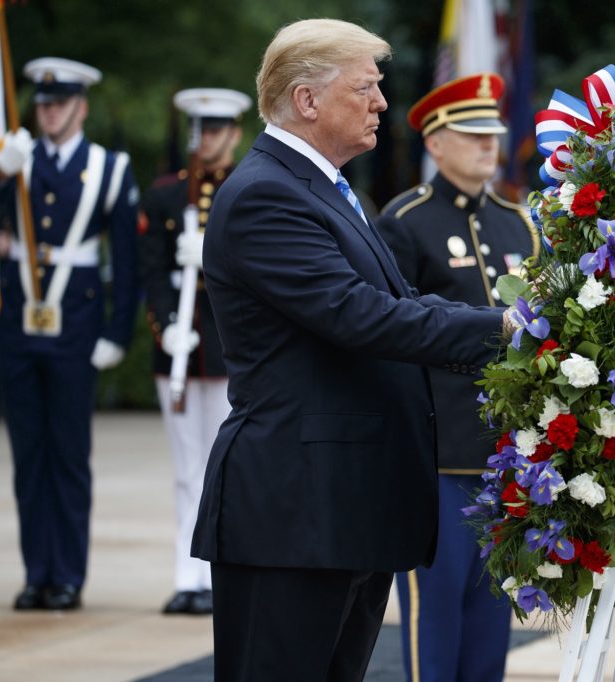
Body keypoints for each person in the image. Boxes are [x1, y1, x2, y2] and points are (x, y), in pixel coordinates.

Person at [189, 19, 511, 681]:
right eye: (365, 87)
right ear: (308, 101)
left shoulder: (331, 191)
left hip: (343, 507)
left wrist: (504, 321)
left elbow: (407, 306)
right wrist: (508, 330)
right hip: (294, 511)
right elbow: (362, 318)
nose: (382, 103)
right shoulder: (265, 196)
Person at [377, 73, 538, 682]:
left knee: (492, 610)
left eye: (491, 133)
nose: (486, 145)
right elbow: (394, 334)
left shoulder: (518, 224)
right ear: (436, 143)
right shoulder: (405, 221)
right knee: (434, 611)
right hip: (437, 451)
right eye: (470, 134)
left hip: (506, 450)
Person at [0, 57, 138, 611]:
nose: (48, 112)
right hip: (18, 326)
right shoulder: (15, 160)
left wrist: (117, 332)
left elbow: (125, 262)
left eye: (59, 104)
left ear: (81, 107)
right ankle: (38, 573)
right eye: (42, 104)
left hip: (76, 327)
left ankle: (69, 577)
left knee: (69, 456)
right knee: (28, 458)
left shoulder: (108, 167)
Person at [138, 88, 251, 616]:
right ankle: (190, 575)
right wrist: (165, 328)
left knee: (226, 465)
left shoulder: (247, 190)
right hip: (183, 346)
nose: (205, 140)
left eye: (215, 130)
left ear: (233, 133)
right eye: (198, 130)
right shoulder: (166, 196)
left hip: (232, 346)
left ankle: (223, 572)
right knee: (188, 467)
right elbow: (152, 270)